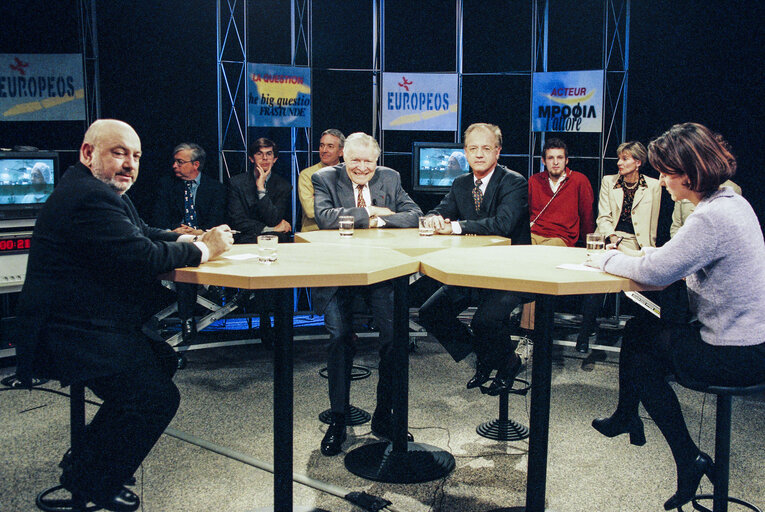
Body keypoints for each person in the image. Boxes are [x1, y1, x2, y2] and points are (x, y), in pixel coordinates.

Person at [14, 119, 233, 512]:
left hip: (91, 319)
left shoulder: (98, 189)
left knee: (162, 359)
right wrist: (207, 249)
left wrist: (189, 238)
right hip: (72, 330)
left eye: (135, 156)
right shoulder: (88, 197)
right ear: (88, 153)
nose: (130, 163)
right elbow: (143, 256)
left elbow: (142, 231)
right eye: (119, 152)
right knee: (156, 398)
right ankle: (91, 480)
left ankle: (90, 457)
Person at [589, 123, 765, 511]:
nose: (663, 179)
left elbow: (655, 273)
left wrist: (601, 257)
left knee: (639, 357)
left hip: (735, 356)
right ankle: (626, 416)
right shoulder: (731, 202)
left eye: (667, 172)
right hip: (753, 346)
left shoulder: (710, 217)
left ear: (688, 174)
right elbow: (675, 257)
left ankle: (687, 458)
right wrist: (644, 257)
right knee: (639, 330)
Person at [311, 132, 422, 456]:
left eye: (368, 162)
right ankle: (339, 419)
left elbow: (414, 214)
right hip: (338, 273)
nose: (361, 168)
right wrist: (373, 212)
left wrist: (381, 223)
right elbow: (326, 218)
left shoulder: (391, 177)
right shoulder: (324, 178)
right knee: (340, 338)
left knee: (393, 338)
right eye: (355, 160)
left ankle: (383, 417)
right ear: (343, 157)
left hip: (381, 273)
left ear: (377, 161)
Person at [418, 123, 531, 396]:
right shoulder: (460, 184)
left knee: (485, 322)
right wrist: (434, 217)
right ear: (465, 154)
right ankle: (486, 355)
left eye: (486, 148)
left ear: (498, 152)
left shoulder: (513, 182)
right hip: (472, 272)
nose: (479, 154)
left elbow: (502, 224)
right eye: (472, 149)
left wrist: (456, 226)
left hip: (510, 273)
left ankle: (508, 363)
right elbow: (440, 210)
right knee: (430, 313)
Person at [577, 141, 662, 354]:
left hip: (639, 244)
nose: (619, 163)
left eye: (625, 159)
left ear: (638, 162)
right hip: (612, 240)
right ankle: (584, 334)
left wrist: (648, 250)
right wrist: (613, 239)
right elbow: (603, 216)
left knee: (645, 294)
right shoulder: (609, 182)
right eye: (619, 158)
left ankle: (650, 340)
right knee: (595, 286)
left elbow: (654, 220)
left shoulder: (653, 185)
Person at [153, 143, 227, 342]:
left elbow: (217, 221)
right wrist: (175, 231)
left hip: (206, 240)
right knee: (186, 260)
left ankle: (212, 293)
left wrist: (200, 232)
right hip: (176, 241)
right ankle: (187, 319)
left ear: (196, 164)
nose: (174, 166)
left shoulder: (215, 188)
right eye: (175, 161)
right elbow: (158, 219)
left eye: (180, 162)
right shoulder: (166, 185)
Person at [528, 138, 594, 247]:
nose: (555, 162)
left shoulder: (579, 180)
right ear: (543, 161)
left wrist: (589, 246)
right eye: (550, 158)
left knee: (547, 251)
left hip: (561, 237)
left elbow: (587, 216)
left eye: (560, 157)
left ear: (566, 160)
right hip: (534, 234)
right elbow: (526, 213)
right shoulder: (534, 181)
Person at [227, 137, 292, 243]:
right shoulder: (236, 183)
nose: (265, 158)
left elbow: (273, 219)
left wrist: (261, 189)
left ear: (274, 159)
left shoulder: (284, 186)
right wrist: (270, 229)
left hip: (274, 239)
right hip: (245, 238)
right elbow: (237, 221)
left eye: (269, 154)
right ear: (251, 158)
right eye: (259, 154)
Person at [297, 129, 344, 232]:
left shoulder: (349, 174)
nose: (324, 150)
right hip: (314, 233)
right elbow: (310, 211)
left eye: (330, 146)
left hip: (341, 232)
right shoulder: (307, 175)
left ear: (341, 152)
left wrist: (321, 201)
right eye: (322, 145)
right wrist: (342, 204)